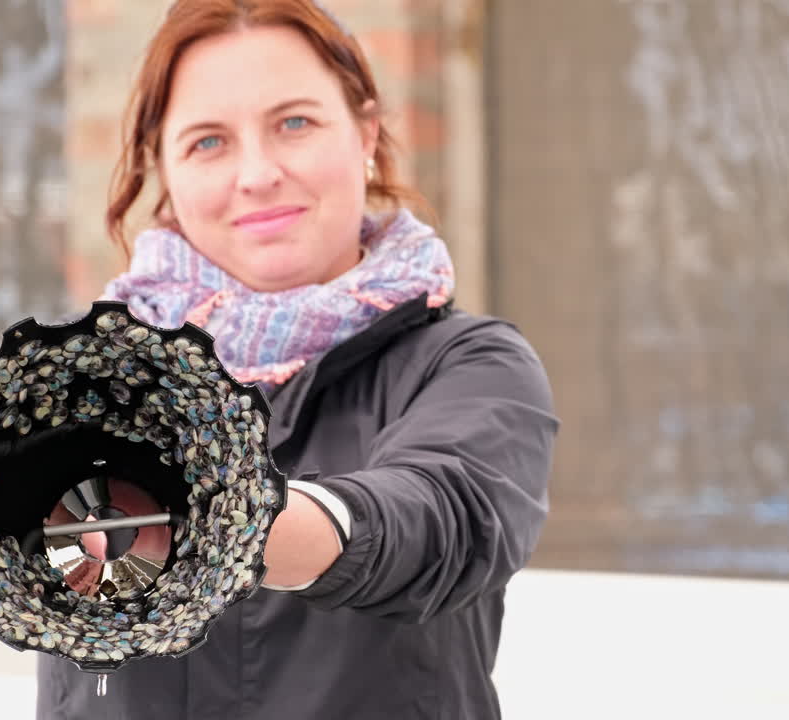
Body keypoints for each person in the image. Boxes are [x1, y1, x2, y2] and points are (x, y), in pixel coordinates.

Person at [36, 1, 558, 718]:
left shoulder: (467, 364)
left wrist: (216, 523)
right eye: (209, 142)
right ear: (163, 168)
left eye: (294, 123)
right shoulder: (81, 376)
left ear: (365, 134)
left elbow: (439, 520)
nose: (257, 174)